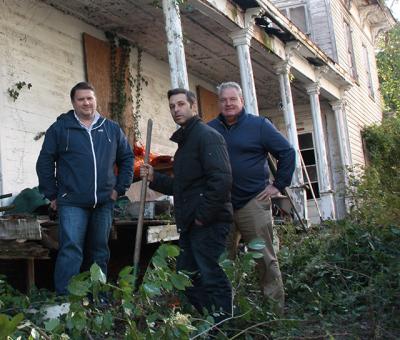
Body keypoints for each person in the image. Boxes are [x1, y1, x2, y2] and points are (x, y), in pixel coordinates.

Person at [140, 88, 233, 322]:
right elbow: (183, 187)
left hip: (208, 222)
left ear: (193, 106)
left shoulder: (206, 136)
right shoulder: (186, 143)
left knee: (211, 275)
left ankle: (224, 326)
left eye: (181, 104)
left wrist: (202, 216)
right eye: (172, 106)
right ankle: (211, 320)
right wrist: (155, 177)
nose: (176, 110)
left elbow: (221, 180)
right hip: (190, 223)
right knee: (186, 277)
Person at [36, 82, 134, 295]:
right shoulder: (60, 129)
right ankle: (66, 301)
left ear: (95, 100)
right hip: (71, 202)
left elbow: (127, 158)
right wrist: (52, 194)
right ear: (73, 103)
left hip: (104, 202)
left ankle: (96, 298)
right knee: (71, 251)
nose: (86, 102)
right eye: (81, 99)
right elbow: (44, 162)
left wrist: (120, 188)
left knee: (99, 251)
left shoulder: (111, 128)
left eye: (90, 98)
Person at [208, 81, 295, 312]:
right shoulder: (210, 129)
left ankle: (275, 314)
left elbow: (287, 152)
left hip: (252, 203)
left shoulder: (259, 126)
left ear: (241, 101)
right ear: (219, 102)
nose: (228, 104)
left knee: (264, 259)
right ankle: (226, 313)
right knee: (222, 261)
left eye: (232, 99)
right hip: (221, 206)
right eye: (224, 100)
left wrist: (278, 185)